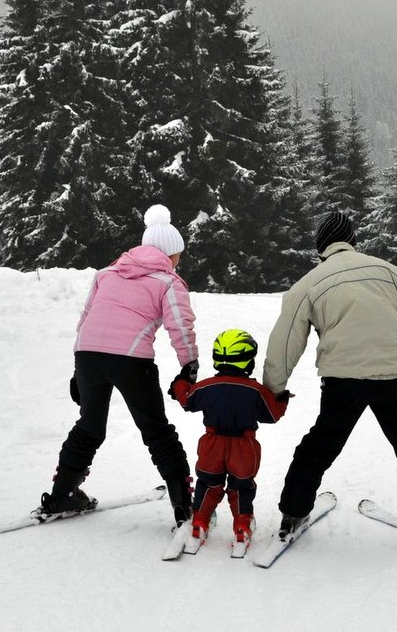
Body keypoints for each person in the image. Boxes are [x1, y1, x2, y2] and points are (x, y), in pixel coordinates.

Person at [262, 211, 397, 547]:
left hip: (343, 378)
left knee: (319, 445)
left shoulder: (309, 283)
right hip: (394, 374)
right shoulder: (389, 272)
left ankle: (293, 513)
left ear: (321, 247)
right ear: (353, 240)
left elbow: (285, 341)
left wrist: (273, 390)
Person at [41, 204, 199, 526]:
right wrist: (189, 365)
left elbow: (86, 318)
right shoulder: (169, 282)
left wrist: (78, 370)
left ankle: (61, 495)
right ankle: (184, 506)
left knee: (89, 427)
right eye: (178, 254)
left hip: (88, 357)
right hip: (131, 360)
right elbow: (180, 327)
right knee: (156, 431)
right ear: (170, 254)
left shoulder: (106, 273)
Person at [170, 329, 288, 549]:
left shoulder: (206, 387)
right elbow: (273, 415)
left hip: (212, 445)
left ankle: (199, 522)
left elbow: (186, 400)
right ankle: (242, 526)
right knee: (241, 487)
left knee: (208, 483)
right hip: (244, 447)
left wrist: (180, 383)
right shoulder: (256, 391)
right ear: (247, 361)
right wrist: (281, 398)